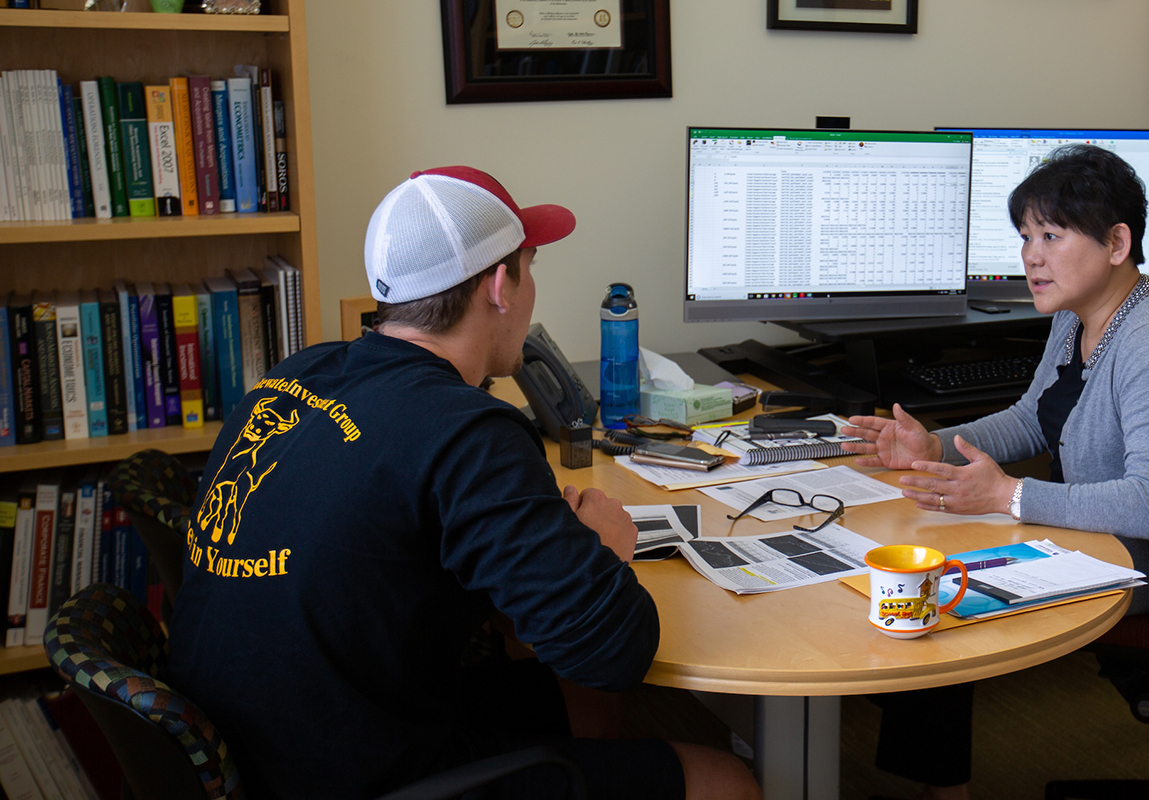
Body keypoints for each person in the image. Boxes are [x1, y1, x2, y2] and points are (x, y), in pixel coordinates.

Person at [166, 166, 761, 800]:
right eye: (530, 266)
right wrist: (603, 546)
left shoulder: (299, 372)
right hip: (353, 771)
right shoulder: (469, 430)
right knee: (724, 778)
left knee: (578, 695)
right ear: (501, 286)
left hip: (255, 740)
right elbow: (616, 652)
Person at [843, 145, 1149, 800]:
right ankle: (926, 778)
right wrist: (932, 446)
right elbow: (1030, 419)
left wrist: (1010, 494)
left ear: (1116, 242)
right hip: (1090, 539)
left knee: (936, 589)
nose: (1030, 255)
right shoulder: (1080, 314)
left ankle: (943, 791)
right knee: (923, 561)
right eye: (1026, 235)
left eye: (1051, 235)